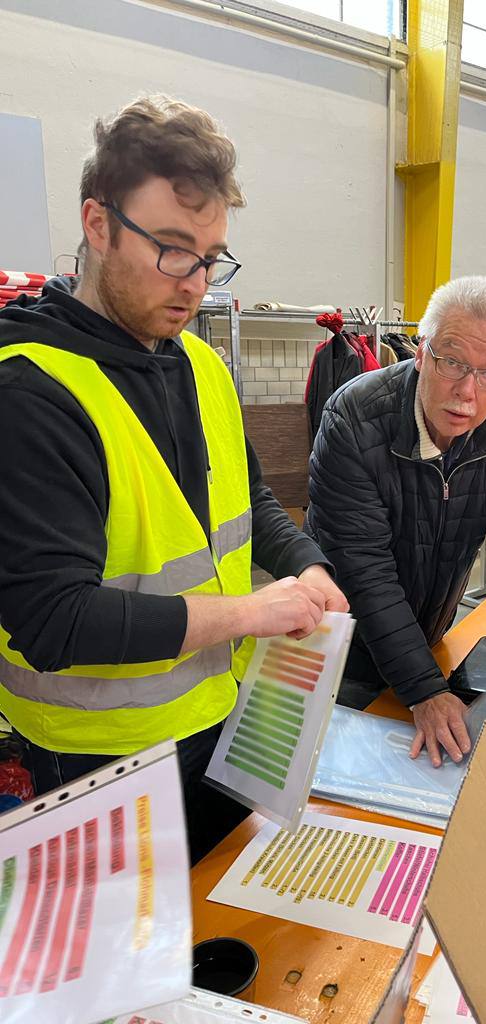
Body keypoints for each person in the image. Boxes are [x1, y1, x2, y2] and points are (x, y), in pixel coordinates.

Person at [0, 96, 347, 862]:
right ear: (97, 225)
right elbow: (55, 623)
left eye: (212, 255)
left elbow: (247, 501)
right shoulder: (31, 392)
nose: (196, 282)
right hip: (99, 757)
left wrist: (306, 563)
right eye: (171, 248)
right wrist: (252, 613)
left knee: (220, 930)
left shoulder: (200, 363)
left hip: (218, 717)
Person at [305, 276, 486, 767]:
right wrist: (423, 688)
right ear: (422, 352)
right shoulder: (355, 417)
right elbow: (364, 569)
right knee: (334, 786)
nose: (467, 391)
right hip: (334, 645)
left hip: (424, 634)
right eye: (452, 362)